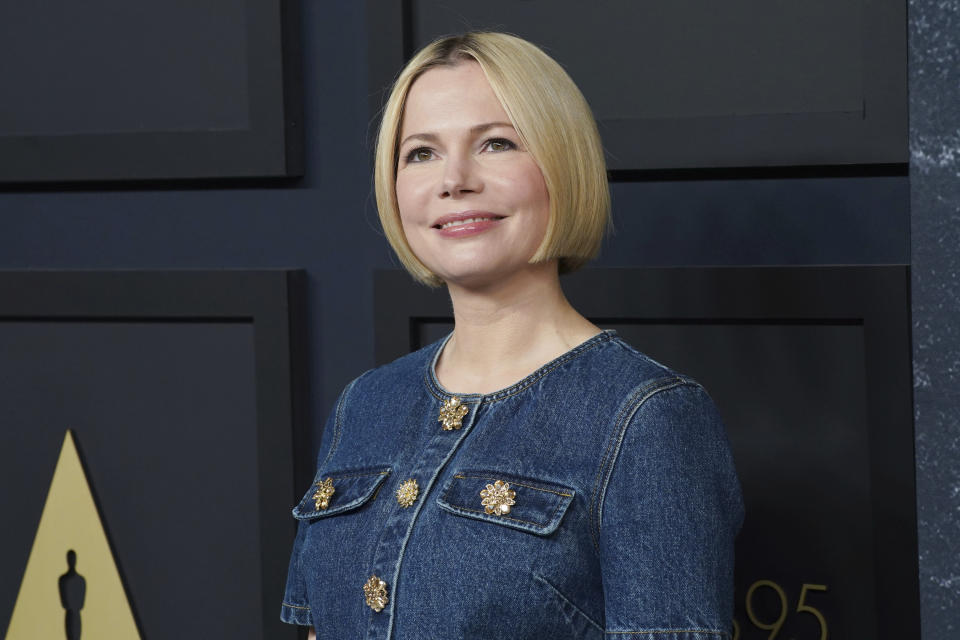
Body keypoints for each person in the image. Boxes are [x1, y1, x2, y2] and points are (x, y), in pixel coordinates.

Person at [281, 32, 743, 640]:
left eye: (496, 143)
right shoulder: (364, 405)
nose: (454, 180)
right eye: (421, 153)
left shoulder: (647, 418)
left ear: (561, 163)